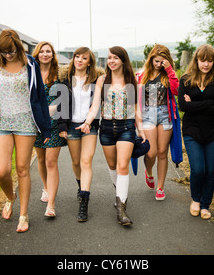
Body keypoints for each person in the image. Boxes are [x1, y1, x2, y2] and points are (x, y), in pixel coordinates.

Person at [0, 29, 51, 232]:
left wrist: (46, 129)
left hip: (26, 123)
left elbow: (40, 99)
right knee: (2, 172)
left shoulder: (30, 64)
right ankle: (10, 197)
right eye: (4, 52)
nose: (8, 55)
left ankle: (24, 215)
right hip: (1, 123)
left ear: (18, 46)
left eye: (11, 51)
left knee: (22, 169)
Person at [83, 46, 145, 226]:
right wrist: (87, 122)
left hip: (126, 126)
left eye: (115, 58)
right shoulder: (102, 80)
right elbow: (95, 106)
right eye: (109, 58)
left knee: (122, 165)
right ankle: (120, 194)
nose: (111, 61)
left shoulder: (130, 80)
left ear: (123, 61)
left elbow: (135, 108)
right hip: (107, 128)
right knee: (112, 166)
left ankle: (121, 209)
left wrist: (140, 131)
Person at [177, 44, 214, 220]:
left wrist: (195, 104)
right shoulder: (185, 80)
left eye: (210, 60)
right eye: (202, 60)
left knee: (210, 171)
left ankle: (206, 205)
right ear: (196, 60)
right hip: (192, 130)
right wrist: (208, 103)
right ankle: (196, 200)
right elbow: (183, 106)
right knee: (198, 169)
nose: (206, 64)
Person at [57, 47, 105, 222]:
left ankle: (84, 201)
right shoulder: (64, 79)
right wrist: (62, 126)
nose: (79, 60)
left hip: (89, 126)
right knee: (76, 162)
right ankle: (80, 184)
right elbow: (61, 105)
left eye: (84, 58)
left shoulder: (95, 81)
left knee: (86, 161)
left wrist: (90, 122)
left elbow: (97, 104)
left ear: (89, 62)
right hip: (71, 127)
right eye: (77, 56)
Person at [137, 44, 179, 201]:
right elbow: (137, 99)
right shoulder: (142, 75)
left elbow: (176, 91)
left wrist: (169, 70)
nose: (159, 64)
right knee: (151, 152)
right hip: (148, 114)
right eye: (156, 61)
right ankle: (149, 172)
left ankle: (160, 187)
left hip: (164, 114)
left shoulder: (168, 75)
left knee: (162, 152)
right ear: (151, 60)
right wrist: (138, 120)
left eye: (162, 61)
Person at [32, 41, 67, 218]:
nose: (45, 54)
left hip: (54, 124)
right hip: (35, 123)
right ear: (37, 54)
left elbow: (63, 98)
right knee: (40, 158)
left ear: (53, 55)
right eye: (42, 51)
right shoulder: (30, 74)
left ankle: (51, 204)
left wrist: (50, 110)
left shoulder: (60, 75)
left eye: (49, 51)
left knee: (51, 162)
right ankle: (46, 187)